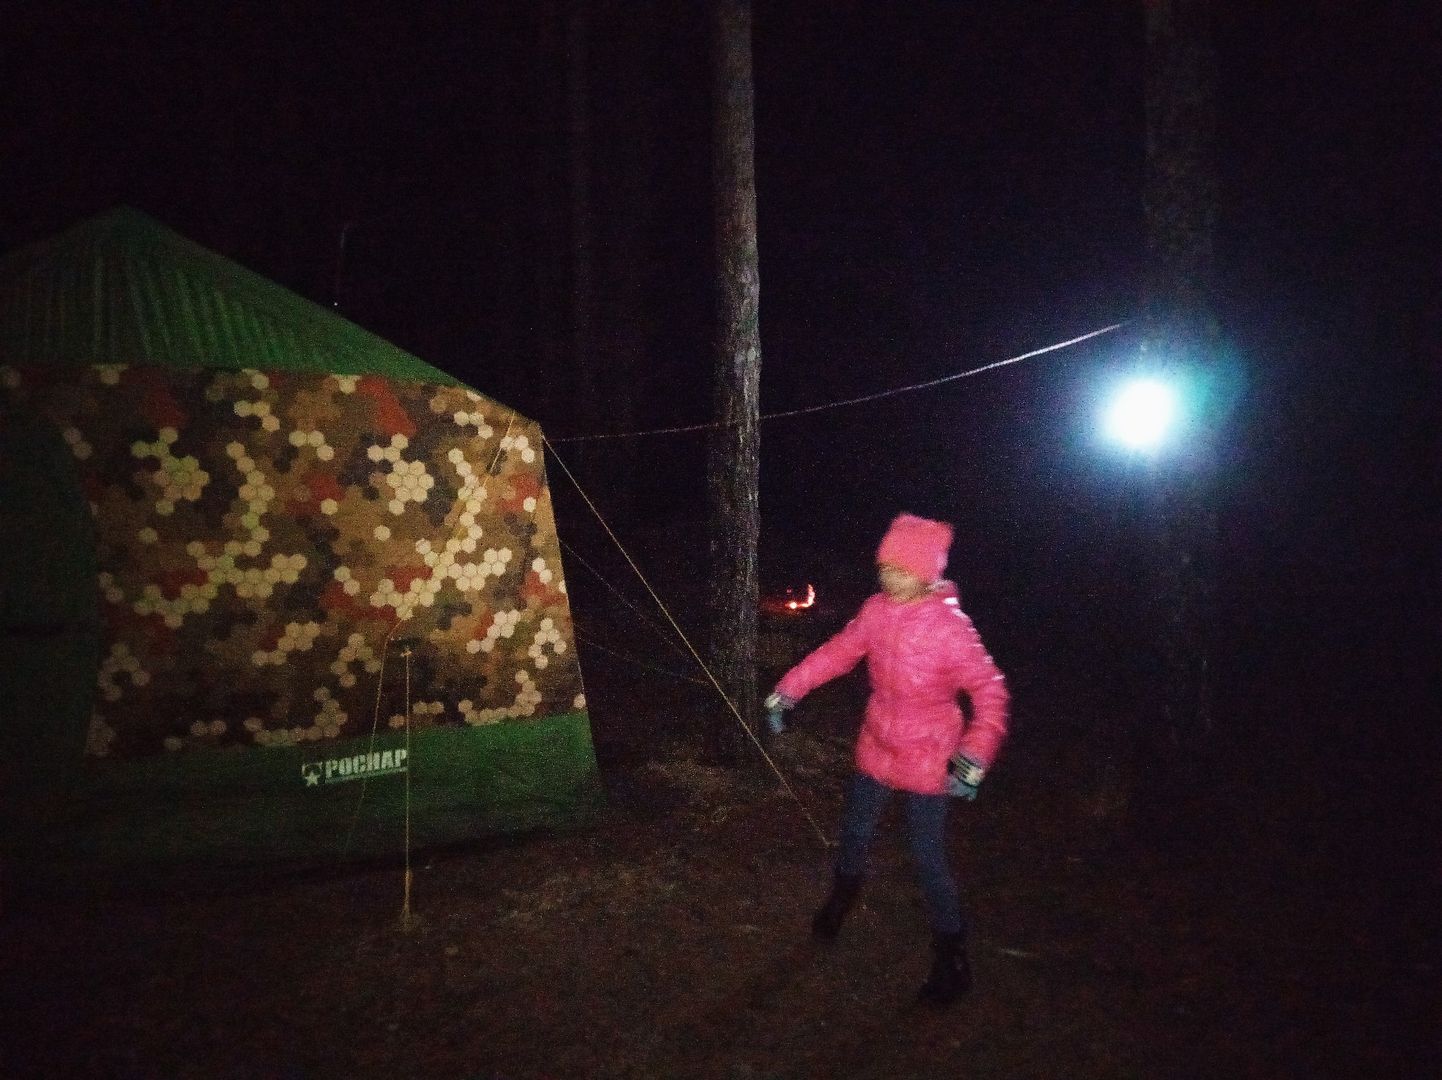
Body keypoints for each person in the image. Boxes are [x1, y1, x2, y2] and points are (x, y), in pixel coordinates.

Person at [764, 512, 1009, 1007]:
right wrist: (789, 689)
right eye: (884, 568)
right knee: (854, 832)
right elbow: (839, 652)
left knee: (927, 856)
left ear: (926, 574)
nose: (888, 578)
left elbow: (990, 692)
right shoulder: (876, 611)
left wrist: (974, 756)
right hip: (877, 743)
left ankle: (952, 957)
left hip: (930, 755)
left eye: (900, 570)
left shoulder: (951, 629)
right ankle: (842, 897)